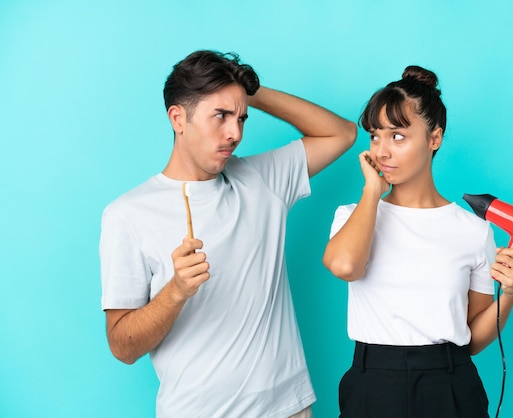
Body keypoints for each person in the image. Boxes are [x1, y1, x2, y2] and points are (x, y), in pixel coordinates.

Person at [100, 50, 356, 418]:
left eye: (241, 118)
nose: (235, 133)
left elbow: (342, 133)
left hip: (288, 408)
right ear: (178, 118)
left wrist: (246, 91)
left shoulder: (263, 180)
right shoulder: (127, 215)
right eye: (220, 115)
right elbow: (122, 346)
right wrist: (176, 292)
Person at [322, 65, 513, 418]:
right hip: (373, 382)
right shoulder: (352, 215)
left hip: (449, 384)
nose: (383, 151)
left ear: (434, 138)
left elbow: (474, 339)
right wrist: (372, 192)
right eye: (375, 136)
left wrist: (510, 294)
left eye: (398, 136)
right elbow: (345, 266)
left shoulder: (473, 230)